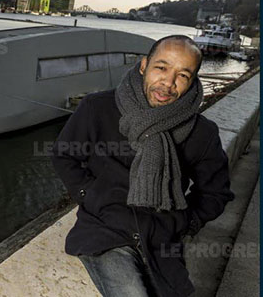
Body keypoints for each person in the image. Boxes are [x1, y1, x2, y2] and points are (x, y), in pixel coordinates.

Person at [51, 35, 234, 297]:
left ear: (193, 80)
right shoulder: (98, 108)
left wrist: (186, 222)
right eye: (161, 68)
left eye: (182, 75)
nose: (168, 83)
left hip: (161, 237)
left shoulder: (202, 133)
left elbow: (216, 192)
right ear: (144, 65)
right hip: (105, 228)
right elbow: (63, 155)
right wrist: (90, 196)